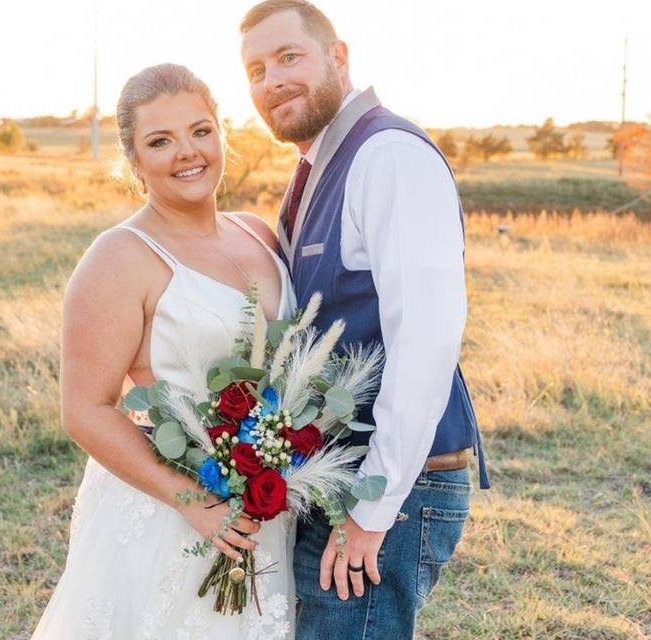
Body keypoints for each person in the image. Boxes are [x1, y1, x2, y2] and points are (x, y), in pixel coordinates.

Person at [239, 2, 490, 638]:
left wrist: (372, 509)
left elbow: (425, 342)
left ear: (338, 57)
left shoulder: (389, 156)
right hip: (337, 486)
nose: (273, 81)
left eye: (289, 57)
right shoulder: (316, 167)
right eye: (256, 69)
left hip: (392, 496)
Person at [30, 63, 295, 639]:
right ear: (134, 161)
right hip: (168, 514)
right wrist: (192, 502)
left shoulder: (258, 233)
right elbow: (85, 409)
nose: (187, 153)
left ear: (222, 134)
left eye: (200, 131)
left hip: (266, 509)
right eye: (160, 141)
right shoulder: (119, 257)